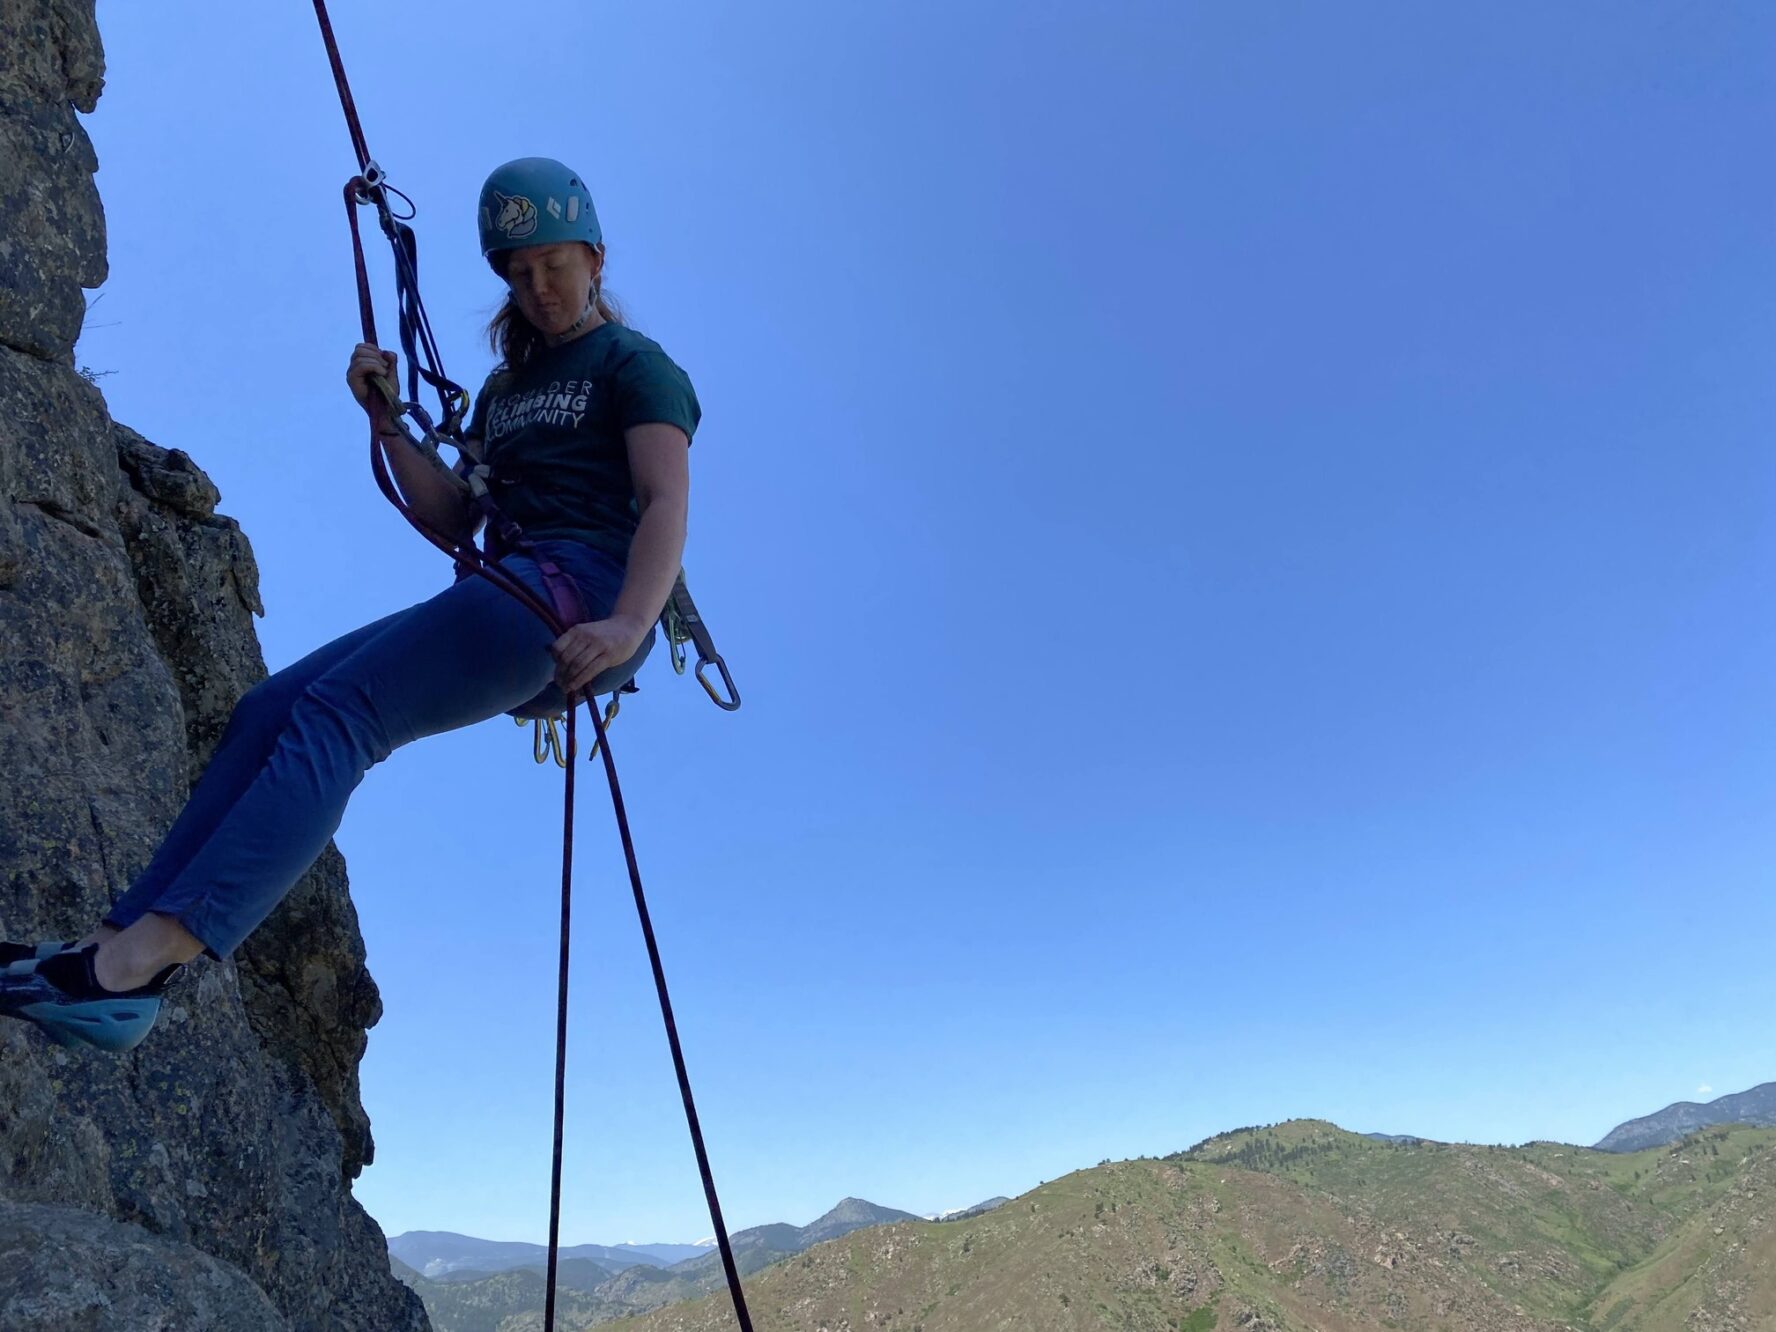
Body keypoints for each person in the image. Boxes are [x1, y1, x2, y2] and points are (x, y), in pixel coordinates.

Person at [0, 157, 701, 1052]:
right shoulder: (503, 393)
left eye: (554, 266)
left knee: (343, 715)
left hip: (583, 592)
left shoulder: (635, 365)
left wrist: (628, 624)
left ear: (596, 257)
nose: (539, 289)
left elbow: (665, 503)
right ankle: (109, 950)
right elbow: (456, 514)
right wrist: (386, 424)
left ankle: (142, 966)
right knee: (267, 710)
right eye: (518, 274)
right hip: (514, 586)